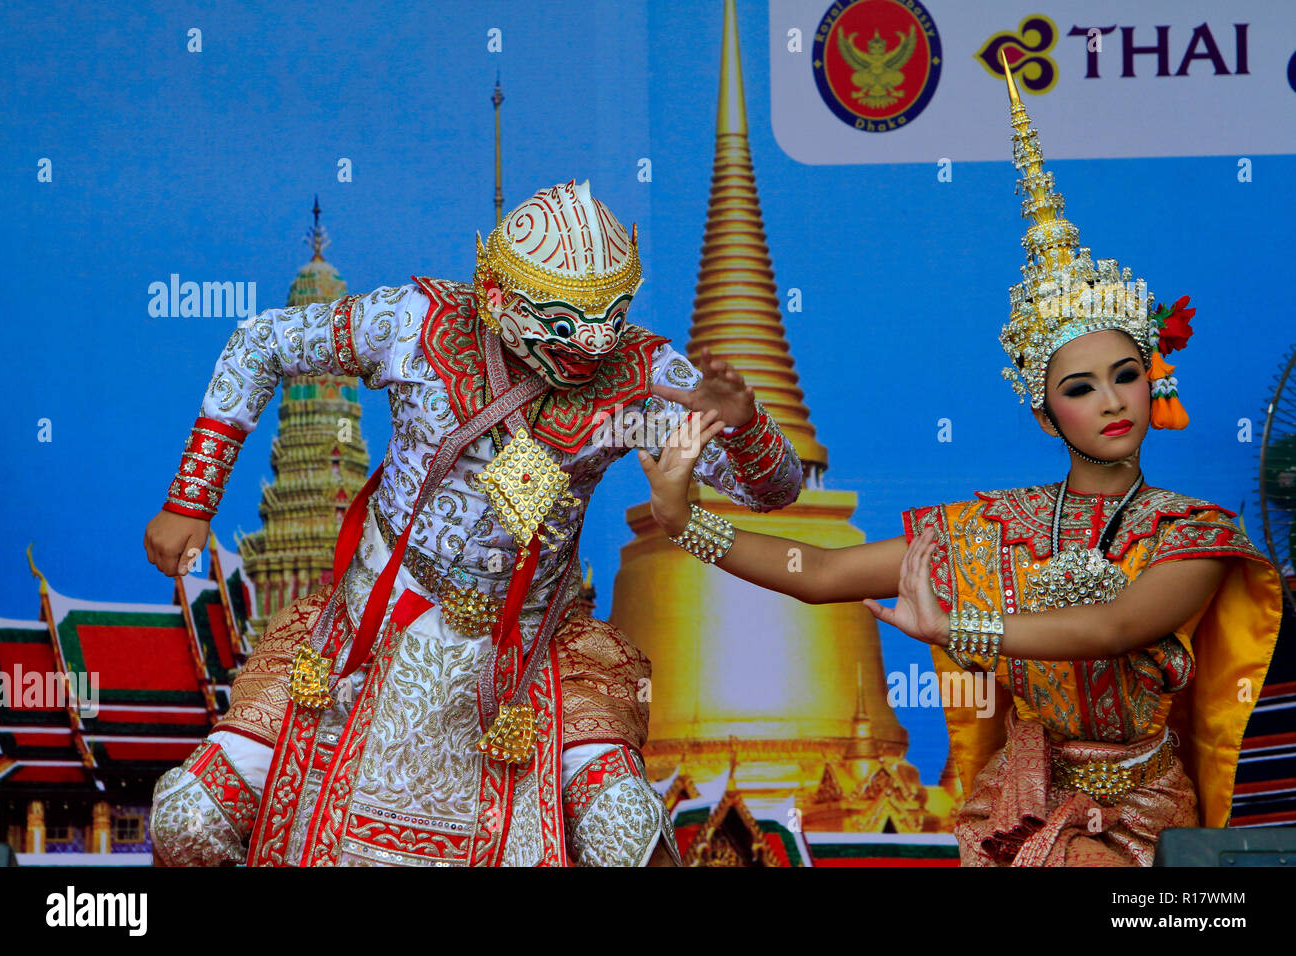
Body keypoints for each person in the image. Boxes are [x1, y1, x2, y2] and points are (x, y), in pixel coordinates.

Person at [635, 63, 1283, 866]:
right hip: (1025, 806)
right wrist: (685, 522)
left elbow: (1118, 626)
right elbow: (820, 571)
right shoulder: (989, 533)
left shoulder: (1191, 532)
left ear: (1157, 383)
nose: (1113, 400)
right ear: (1048, 414)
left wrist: (958, 626)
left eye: (1126, 376)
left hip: (1149, 813)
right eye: (1081, 387)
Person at [144, 179, 803, 866]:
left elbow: (774, 492)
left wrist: (746, 425)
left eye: (612, 314)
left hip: (533, 656)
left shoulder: (635, 374)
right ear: (496, 297)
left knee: (628, 838)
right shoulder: (416, 325)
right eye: (567, 321)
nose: (595, 341)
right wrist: (192, 498)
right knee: (188, 817)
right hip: (367, 635)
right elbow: (259, 343)